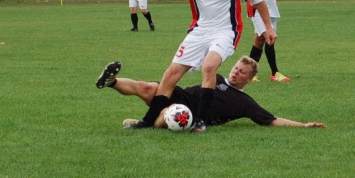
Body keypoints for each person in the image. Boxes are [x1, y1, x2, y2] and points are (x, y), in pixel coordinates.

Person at [128, 0, 277, 133]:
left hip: (226, 31)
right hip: (199, 30)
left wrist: (268, 27)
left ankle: (200, 121)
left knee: (208, 67)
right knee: (170, 74)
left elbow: (258, 0)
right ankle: (147, 121)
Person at [96, 56, 326, 128]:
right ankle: (111, 82)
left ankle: (143, 124)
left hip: (191, 115)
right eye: (236, 68)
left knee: (171, 113)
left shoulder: (244, 102)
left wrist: (302, 125)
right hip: (181, 96)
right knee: (149, 87)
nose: (236, 73)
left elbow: (272, 120)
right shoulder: (214, 77)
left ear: (249, 78)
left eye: (242, 73)